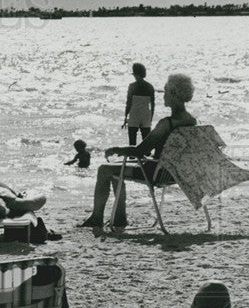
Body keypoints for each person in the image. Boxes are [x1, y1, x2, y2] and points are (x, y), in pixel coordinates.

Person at [80, 73, 196, 228]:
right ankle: (119, 217)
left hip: (156, 172)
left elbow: (141, 151)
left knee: (104, 170)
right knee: (116, 168)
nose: (163, 95)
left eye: (166, 91)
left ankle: (97, 217)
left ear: (174, 94)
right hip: (175, 173)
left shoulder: (166, 124)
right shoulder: (191, 121)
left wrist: (116, 149)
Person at [122, 63, 155, 145]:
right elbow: (153, 104)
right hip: (145, 115)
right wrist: (151, 117)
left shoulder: (132, 86)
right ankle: (145, 156)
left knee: (132, 142)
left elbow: (128, 103)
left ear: (136, 74)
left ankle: (132, 157)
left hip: (134, 114)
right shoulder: (150, 87)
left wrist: (126, 116)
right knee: (146, 142)